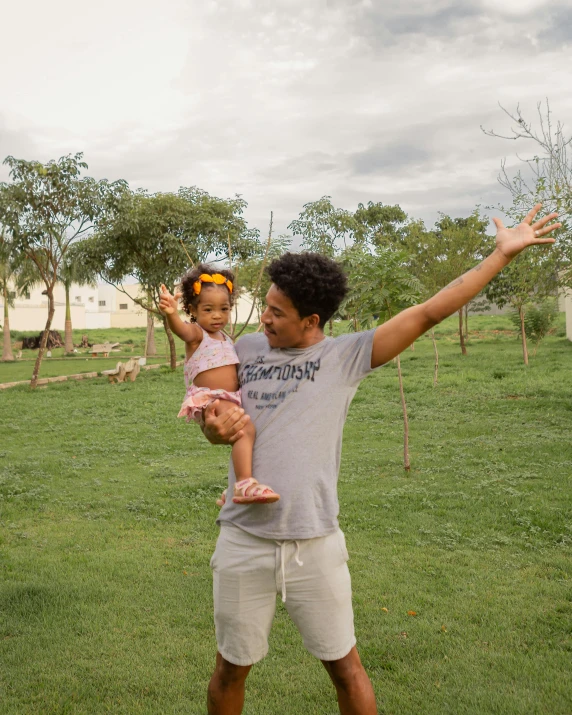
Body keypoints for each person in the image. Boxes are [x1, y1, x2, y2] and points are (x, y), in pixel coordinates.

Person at [201, 205, 560, 715]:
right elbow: (217, 412)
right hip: (243, 537)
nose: (264, 319)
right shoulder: (249, 349)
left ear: (312, 320)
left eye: (277, 313)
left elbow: (428, 311)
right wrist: (212, 431)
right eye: (266, 306)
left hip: (314, 540)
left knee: (345, 668)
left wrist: (499, 256)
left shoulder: (346, 356)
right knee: (229, 668)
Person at [159, 265, 279, 504]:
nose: (217, 315)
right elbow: (181, 330)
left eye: (224, 309)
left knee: (247, 433)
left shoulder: (225, 337)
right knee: (245, 430)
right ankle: (244, 484)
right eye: (208, 309)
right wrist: (172, 313)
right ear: (193, 309)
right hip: (211, 398)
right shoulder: (197, 334)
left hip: (228, 398)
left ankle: (234, 484)